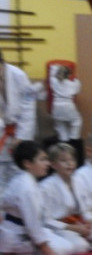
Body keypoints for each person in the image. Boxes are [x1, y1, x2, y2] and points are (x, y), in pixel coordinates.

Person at [0, 140, 84, 255]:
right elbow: (32, 224)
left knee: (74, 247)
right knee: (62, 250)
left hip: (25, 231)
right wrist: (47, 251)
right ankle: (13, 254)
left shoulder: (25, 180)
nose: (47, 163)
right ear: (27, 164)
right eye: (42, 160)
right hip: (18, 236)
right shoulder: (26, 188)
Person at [0, 51, 40, 199]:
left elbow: (29, 108)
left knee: (22, 171)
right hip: (2, 131)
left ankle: (24, 202)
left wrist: (21, 137)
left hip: (21, 129)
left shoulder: (19, 76)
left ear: (2, 62)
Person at [40, 142, 92, 255]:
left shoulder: (78, 181)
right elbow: (46, 220)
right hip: (56, 228)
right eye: (64, 161)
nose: (69, 164)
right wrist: (73, 228)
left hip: (77, 224)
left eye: (72, 160)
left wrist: (90, 221)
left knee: (83, 247)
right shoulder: (46, 187)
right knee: (76, 248)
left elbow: (85, 208)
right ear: (53, 165)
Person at [48, 63, 84, 163]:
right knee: (77, 121)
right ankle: (73, 139)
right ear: (68, 75)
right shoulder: (72, 84)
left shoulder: (54, 81)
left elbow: (52, 70)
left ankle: (64, 141)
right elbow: (78, 87)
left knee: (60, 125)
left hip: (56, 106)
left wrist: (56, 67)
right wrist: (75, 79)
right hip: (68, 105)